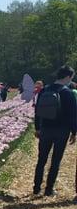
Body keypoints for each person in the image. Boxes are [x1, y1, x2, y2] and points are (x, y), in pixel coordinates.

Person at [33, 66, 77, 197]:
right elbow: (73, 114)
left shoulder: (45, 89)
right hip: (61, 131)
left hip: (45, 129)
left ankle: (36, 188)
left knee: (41, 159)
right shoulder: (67, 92)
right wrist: (74, 132)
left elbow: (37, 111)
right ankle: (49, 189)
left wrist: (38, 128)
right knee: (55, 160)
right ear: (68, 77)